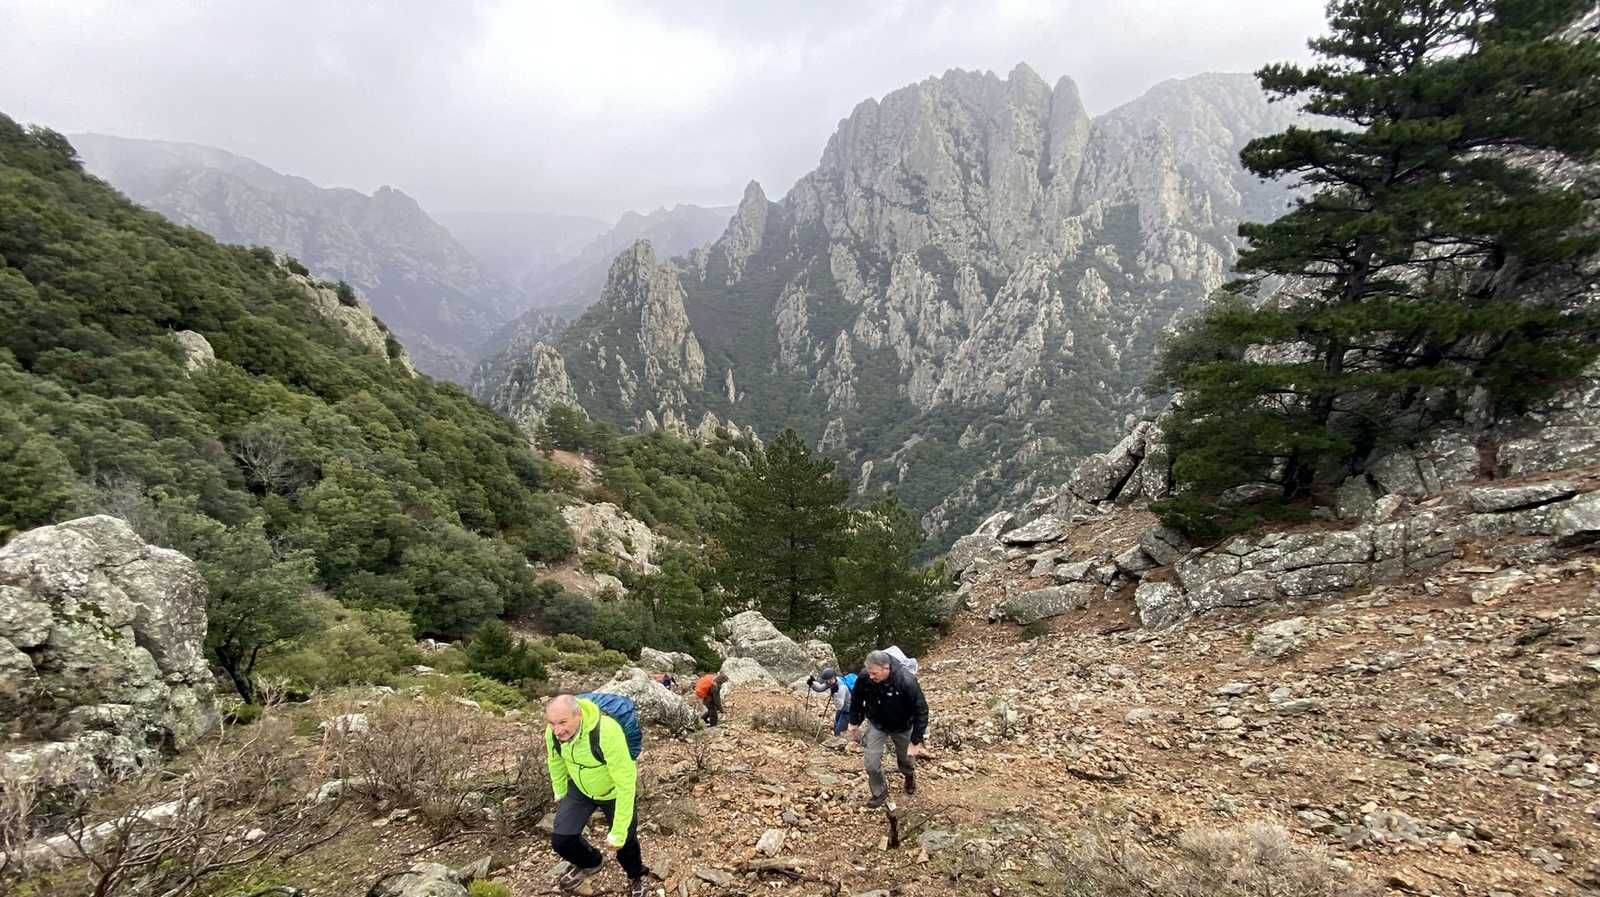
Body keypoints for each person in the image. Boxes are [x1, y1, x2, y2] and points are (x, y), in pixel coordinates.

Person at [544, 694, 651, 897]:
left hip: (613, 792)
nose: (557, 730)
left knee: (626, 842)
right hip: (581, 789)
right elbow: (555, 760)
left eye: (563, 722)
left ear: (579, 714)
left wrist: (619, 831)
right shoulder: (553, 733)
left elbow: (626, 783)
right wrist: (560, 790)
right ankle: (592, 862)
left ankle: (636, 875)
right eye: (552, 723)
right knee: (562, 840)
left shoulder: (607, 731)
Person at [846, 650, 929, 809]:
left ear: (886, 668)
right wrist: (854, 722)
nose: (871, 676)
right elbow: (857, 698)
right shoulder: (865, 677)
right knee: (871, 763)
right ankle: (879, 792)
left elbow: (922, 711)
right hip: (877, 724)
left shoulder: (906, 681)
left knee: (906, 758)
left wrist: (915, 741)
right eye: (869, 672)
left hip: (903, 726)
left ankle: (909, 775)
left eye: (874, 673)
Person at [805, 667, 853, 736]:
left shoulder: (841, 687)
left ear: (834, 677)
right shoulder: (831, 682)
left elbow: (839, 706)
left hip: (849, 711)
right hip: (843, 708)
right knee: (836, 725)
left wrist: (835, 693)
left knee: (839, 730)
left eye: (830, 679)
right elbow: (820, 688)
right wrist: (812, 684)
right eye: (827, 680)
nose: (828, 682)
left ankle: (839, 743)